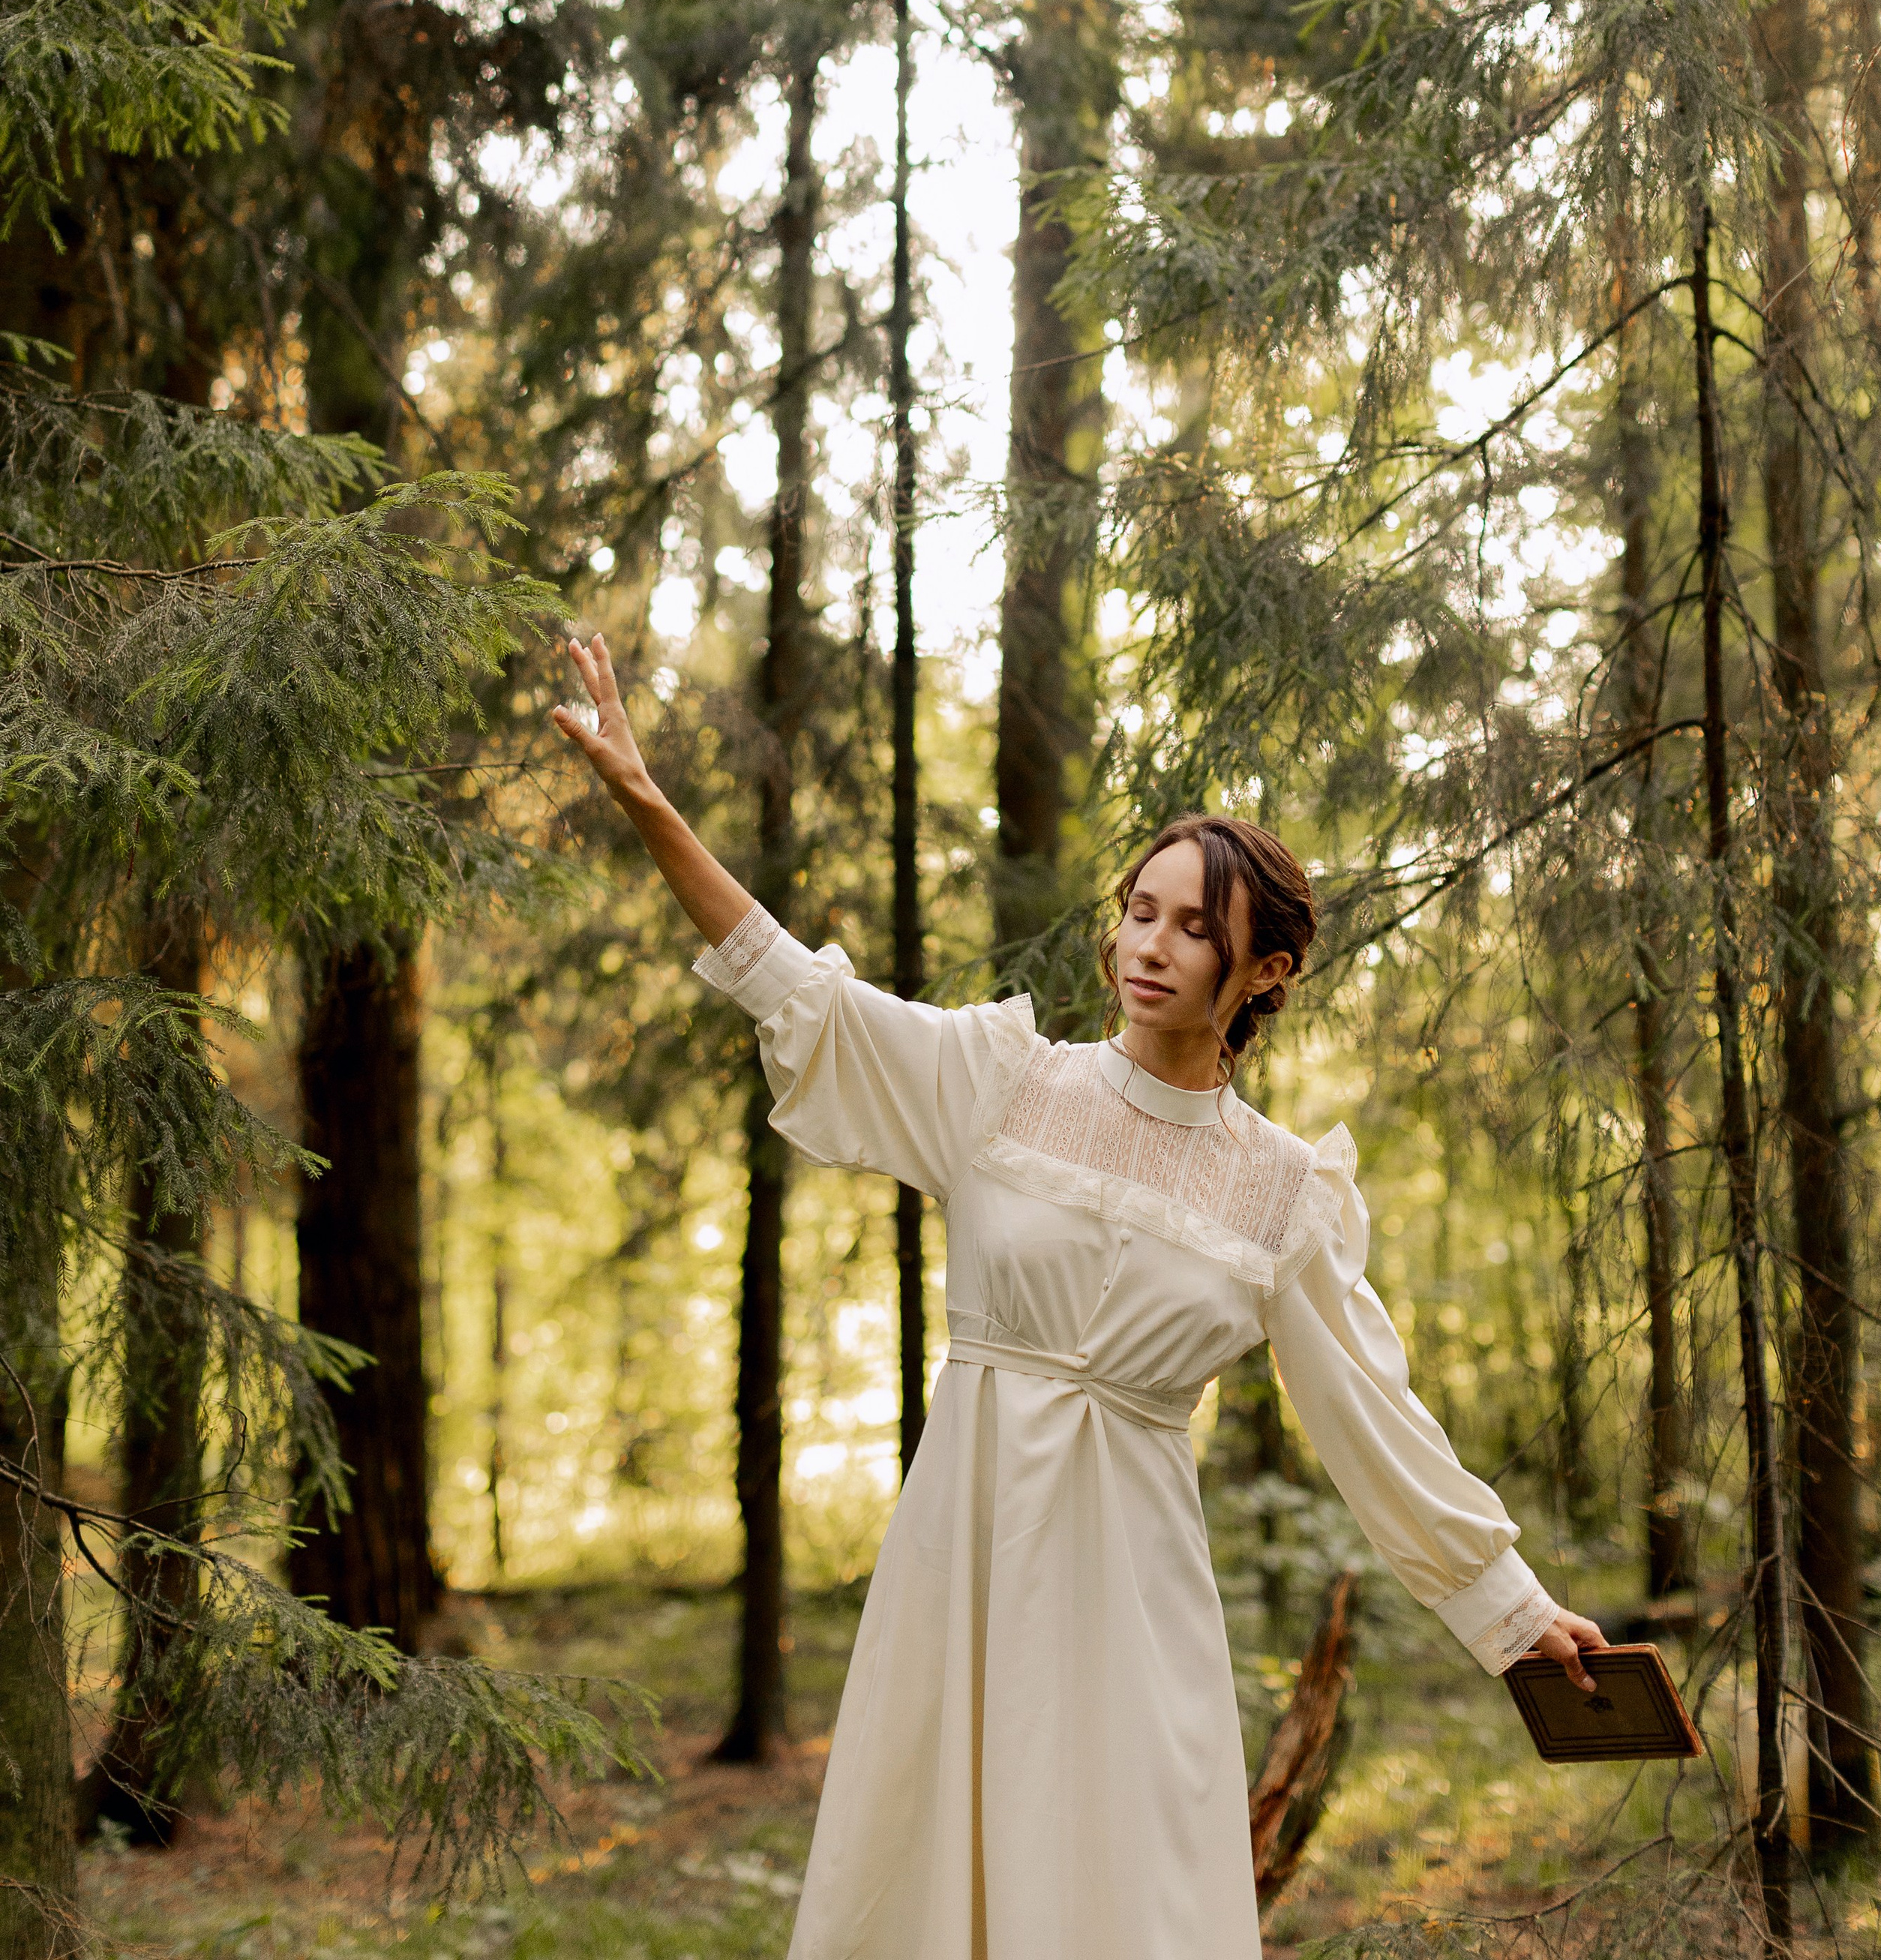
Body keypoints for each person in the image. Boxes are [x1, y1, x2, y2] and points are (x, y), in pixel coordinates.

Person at [551, 632, 1603, 1960]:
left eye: (1193, 928)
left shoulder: (1285, 1195)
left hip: (1132, 1591)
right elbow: (796, 989)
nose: (1147, 947)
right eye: (1140, 911)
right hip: (963, 1555)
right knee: (930, 1878)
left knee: (1129, 1895)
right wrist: (648, 804)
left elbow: (1374, 1420)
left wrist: (1509, 1611)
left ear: (1264, 972)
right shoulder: (999, 1085)